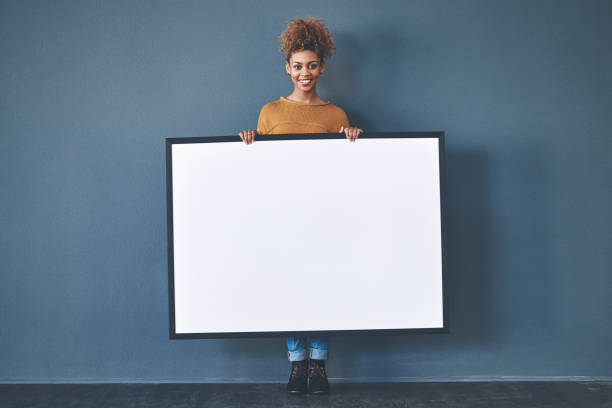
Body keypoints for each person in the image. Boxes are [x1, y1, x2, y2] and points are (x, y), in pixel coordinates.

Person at [238, 16, 363, 395]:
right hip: (281, 215)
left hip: (324, 216)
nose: (304, 73)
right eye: (297, 66)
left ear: (322, 67)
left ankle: (319, 366)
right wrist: (249, 142)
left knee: (323, 286)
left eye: (311, 65)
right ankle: (297, 366)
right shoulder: (269, 113)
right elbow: (260, 167)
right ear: (287, 68)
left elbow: (347, 170)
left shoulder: (335, 115)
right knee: (287, 287)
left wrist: (353, 140)